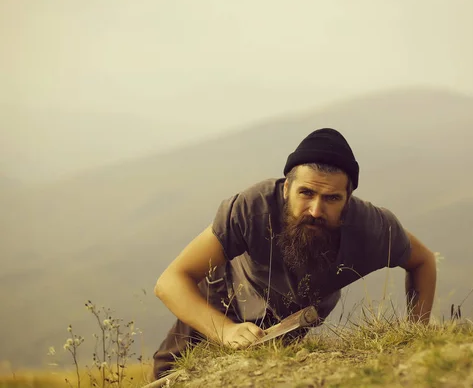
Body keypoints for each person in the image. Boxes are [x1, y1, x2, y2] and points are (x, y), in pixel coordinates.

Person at [150, 127, 437, 380]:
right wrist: (225, 330)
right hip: (220, 303)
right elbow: (170, 281)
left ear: (347, 200)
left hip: (286, 329)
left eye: (332, 198)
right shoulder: (253, 207)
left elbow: (423, 261)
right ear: (287, 188)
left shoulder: (371, 226)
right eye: (306, 193)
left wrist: (415, 334)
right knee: (167, 374)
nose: (315, 210)